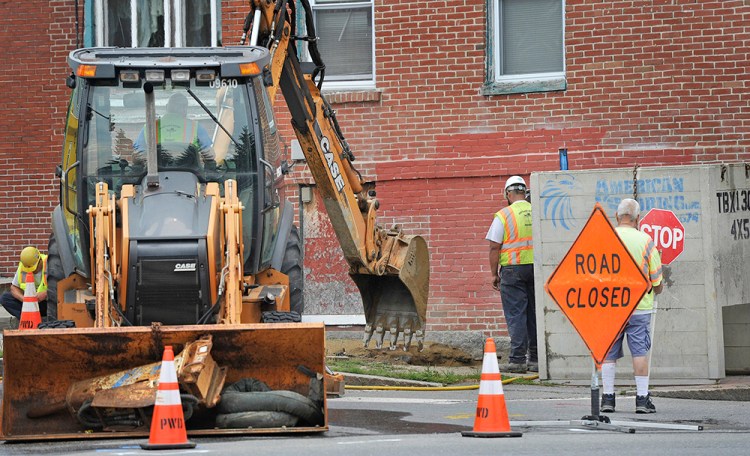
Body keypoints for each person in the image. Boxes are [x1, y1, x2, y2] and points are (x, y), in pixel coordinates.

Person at [600, 198, 663, 414]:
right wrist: (657, 288)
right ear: (638, 219)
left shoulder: (605, 240)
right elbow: (656, 281)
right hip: (639, 308)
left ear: (616, 217)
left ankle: (608, 399)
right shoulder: (646, 242)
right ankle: (642, 400)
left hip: (611, 308)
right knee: (639, 353)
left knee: (608, 354)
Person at [486, 176, 537, 373]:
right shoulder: (536, 211)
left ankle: (517, 360)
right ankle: (535, 360)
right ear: (524, 192)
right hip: (536, 269)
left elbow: (493, 247)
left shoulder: (504, 215)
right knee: (533, 314)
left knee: (516, 315)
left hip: (513, 270)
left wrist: (493, 274)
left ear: (508, 193)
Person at [133, 92, 213, 160]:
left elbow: (139, 155)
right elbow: (210, 155)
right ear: (185, 109)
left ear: (167, 107)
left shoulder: (149, 127)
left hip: (156, 175)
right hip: (189, 174)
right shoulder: (195, 127)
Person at [1, 246, 48, 322]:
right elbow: (14, 287)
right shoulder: (23, 266)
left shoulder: (49, 264)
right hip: (28, 304)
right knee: (5, 298)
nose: (32, 271)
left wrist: (46, 294)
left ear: (39, 261)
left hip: (45, 303)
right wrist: (24, 299)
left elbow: (61, 287)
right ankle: (27, 319)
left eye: (33, 268)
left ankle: (40, 319)